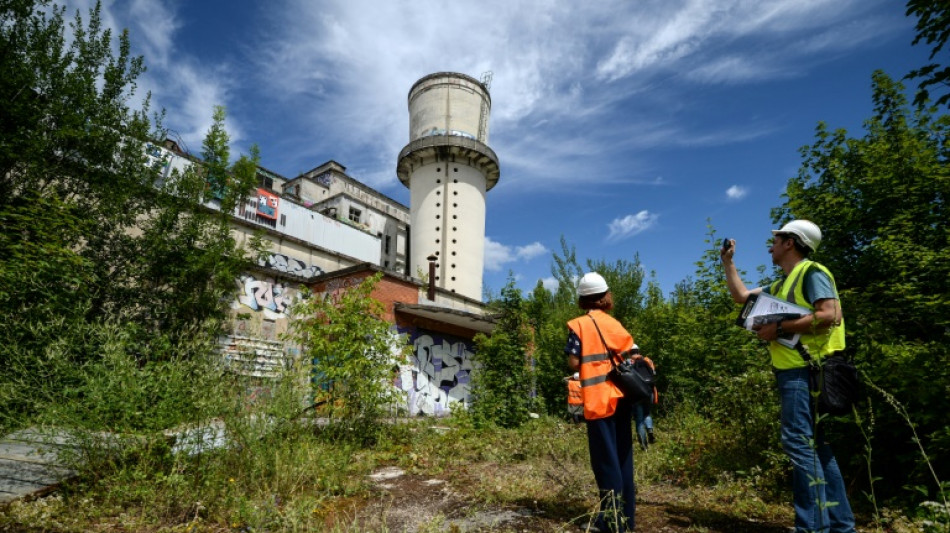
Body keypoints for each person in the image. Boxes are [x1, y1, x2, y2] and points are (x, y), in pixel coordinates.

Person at [720, 220, 855, 533]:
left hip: (804, 371)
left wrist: (778, 328)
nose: (771, 246)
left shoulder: (812, 272)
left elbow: (830, 314)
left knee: (799, 444)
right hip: (798, 371)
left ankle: (812, 528)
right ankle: (840, 526)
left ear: (790, 243)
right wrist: (728, 263)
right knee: (816, 446)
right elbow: (741, 296)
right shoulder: (782, 284)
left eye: (776, 240)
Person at [566, 272, 636, 532]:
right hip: (622, 397)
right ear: (606, 296)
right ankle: (627, 520)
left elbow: (574, 362)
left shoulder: (580, 325)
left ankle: (611, 524)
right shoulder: (615, 324)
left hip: (598, 401)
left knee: (605, 463)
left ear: (583, 299)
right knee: (622, 461)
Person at [628, 345, 657, 450]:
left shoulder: (628, 362)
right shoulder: (647, 360)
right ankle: (650, 430)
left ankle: (644, 446)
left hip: (636, 394)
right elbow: (653, 373)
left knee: (639, 419)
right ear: (638, 350)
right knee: (647, 413)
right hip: (649, 392)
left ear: (629, 352)